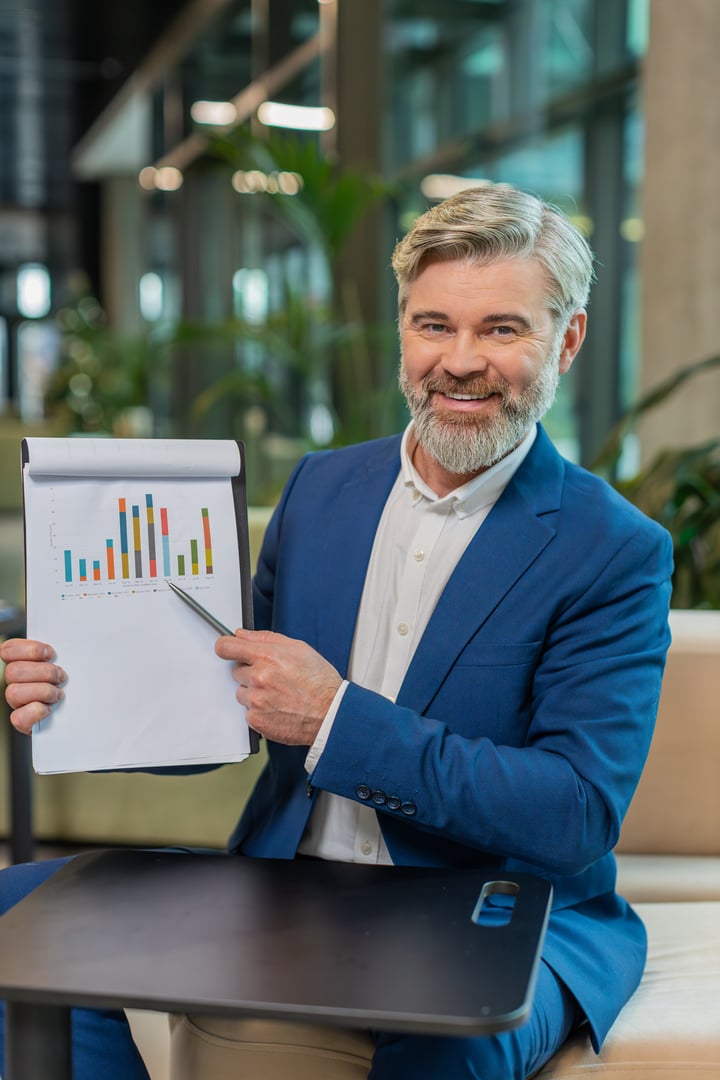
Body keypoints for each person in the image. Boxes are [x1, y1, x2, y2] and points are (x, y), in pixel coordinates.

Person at [0, 183, 673, 1080]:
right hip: (292, 879)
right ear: (403, 329)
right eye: (434, 325)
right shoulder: (321, 490)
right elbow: (233, 712)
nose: (461, 361)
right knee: (19, 917)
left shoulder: (613, 549)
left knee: (445, 1046)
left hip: (495, 907)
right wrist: (79, 691)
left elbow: (576, 811)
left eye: (502, 330)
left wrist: (336, 720)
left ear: (568, 340)